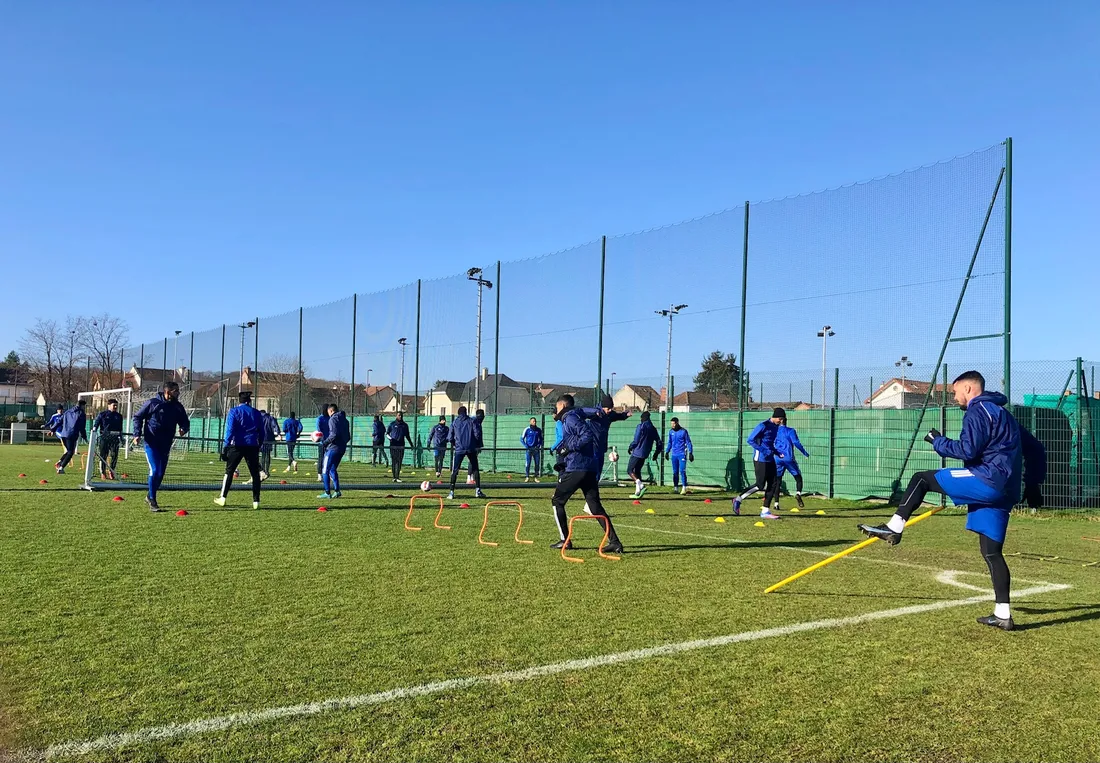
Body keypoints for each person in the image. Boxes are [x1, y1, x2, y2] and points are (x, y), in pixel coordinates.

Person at [859, 371, 1047, 631]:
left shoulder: (977, 410)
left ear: (968, 389)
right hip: (1007, 491)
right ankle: (1003, 614)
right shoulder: (1004, 414)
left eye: (955, 392)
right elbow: (1036, 448)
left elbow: (967, 450)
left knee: (922, 479)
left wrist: (938, 442)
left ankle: (894, 527)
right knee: (992, 552)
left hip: (987, 480)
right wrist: (1034, 483)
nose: (954, 397)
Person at [550, 394, 623, 553]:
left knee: (557, 501)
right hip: (589, 468)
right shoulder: (577, 414)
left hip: (577, 468)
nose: (555, 410)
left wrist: (569, 448)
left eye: (556, 407)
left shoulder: (570, 418)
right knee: (595, 507)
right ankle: (615, 542)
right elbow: (585, 411)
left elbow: (587, 435)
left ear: (562, 406)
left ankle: (565, 541)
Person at [132, 381, 191, 511]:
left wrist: (184, 428)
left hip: (166, 444)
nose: (178, 393)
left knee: (161, 473)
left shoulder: (178, 407)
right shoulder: (153, 403)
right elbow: (137, 417)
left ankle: (149, 495)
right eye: (176, 391)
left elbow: (185, 421)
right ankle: (153, 500)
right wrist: (137, 434)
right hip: (151, 442)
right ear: (167, 392)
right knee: (155, 470)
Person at [215, 391, 265, 509]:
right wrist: (259, 444)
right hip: (252, 445)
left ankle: (223, 497)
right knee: (255, 474)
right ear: (249, 401)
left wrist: (226, 445)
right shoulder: (256, 413)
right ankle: (256, 501)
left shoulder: (234, 411)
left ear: (239, 401)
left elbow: (230, 429)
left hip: (237, 445)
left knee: (229, 471)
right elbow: (262, 431)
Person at [733, 408, 785, 519]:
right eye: (780, 419)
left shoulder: (775, 427)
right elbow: (750, 440)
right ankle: (738, 499)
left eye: (782, 419)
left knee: (774, 483)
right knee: (760, 485)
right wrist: (764, 451)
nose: (781, 421)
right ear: (775, 416)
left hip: (770, 458)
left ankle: (765, 511)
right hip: (760, 458)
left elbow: (769, 443)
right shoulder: (763, 426)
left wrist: (776, 452)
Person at [448, 406, 487, 500]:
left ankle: (451, 492)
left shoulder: (454, 422)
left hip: (459, 449)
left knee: (455, 470)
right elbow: (477, 434)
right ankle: (478, 490)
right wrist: (476, 444)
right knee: (475, 469)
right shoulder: (472, 421)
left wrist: (455, 444)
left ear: (458, 413)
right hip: (471, 448)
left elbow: (450, 437)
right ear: (466, 412)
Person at [772, 415, 810, 510]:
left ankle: (776, 504)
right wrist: (804, 453)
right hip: (788, 458)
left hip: (777, 458)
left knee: (777, 481)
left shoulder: (774, 431)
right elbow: (796, 443)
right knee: (798, 477)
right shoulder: (790, 431)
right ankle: (798, 493)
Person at [626, 410, 662, 499]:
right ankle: (638, 492)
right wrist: (656, 453)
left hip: (637, 452)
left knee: (630, 470)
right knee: (637, 470)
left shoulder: (641, 426)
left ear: (642, 418)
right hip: (646, 453)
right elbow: (659, 442)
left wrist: (631, 446)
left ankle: (640, 485)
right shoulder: (653, 428)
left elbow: (636, 440)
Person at [319, 403, 351, 499]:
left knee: (325, 469)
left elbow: (333, 434)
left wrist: (325, 443)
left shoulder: (332, 419)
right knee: (332, 469)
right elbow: (348, 437)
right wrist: (342, 443)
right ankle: (337, 491)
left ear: (331, 411)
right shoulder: (345, 420)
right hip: (342, 448)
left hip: (333, 448)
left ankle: (327, 492)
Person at [92, 398, 124, 479]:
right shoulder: (102, 414)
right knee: (103, 456)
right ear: (109, 405)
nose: (115, 407)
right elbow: (96, 424)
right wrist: (94, 431)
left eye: (116, 405)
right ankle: (103, 472)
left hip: (115, 438)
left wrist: (121, 438)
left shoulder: (119, 416)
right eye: (114, 405)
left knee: (114, 455)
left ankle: (111, 471)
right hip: (104, 438)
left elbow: (120, 429)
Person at [54, 400, 88, 474]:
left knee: (68, 451)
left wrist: (52, 429)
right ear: (82, 406)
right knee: (70, 452)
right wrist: (84, 436)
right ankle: (61, 468)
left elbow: (59, 421)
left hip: (63, 434)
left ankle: (59, 462)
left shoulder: (67, 412)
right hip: (71, 435)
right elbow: (82, 427)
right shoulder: (81, 413)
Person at [664, 417, 694, 495]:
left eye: (673, 423)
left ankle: (684, 488)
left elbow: (688, 442)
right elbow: (670, 442)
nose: (672, 425)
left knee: (682, 471)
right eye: (671, 424)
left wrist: (690, 452)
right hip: (674, 454)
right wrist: (667, 452)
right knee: (675, 472)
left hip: (682, 454)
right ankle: (676, 488)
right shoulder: (671, 432)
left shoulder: (683, 431)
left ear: (677, 423)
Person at [387, 411, 414, 482]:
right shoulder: (392, 424)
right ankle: (394, 477)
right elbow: (387, 433)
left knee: (399, 461)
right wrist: (391, 439)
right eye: (399, 415)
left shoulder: (405, 425)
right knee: (394, 461)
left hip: (401, 445)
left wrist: (411, 444)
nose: (400, 416)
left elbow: (407, 436)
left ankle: (397, 477)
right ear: (396, 416)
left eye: (401, 415)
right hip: (393, 445)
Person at [256, 409, 278, 480]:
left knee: (262, 455)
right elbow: (275, 426)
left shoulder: (258, 418)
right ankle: (267, 471)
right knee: (268, 455)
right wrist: (278, 433)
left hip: (261, 439)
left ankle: (262, 471)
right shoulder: (270, 418)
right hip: (269, 439)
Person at [521, 417, 544, 483]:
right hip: (529, 450)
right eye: (533, 421)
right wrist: (526, 446)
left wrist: (538, 445)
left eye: (535, 421)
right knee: (528, 463)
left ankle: (536, 477)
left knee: (537, 464)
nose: (534, 422)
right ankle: (527, 477)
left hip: (536, 450)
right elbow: (521, 439)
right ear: (530, 422)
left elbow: (541, 439)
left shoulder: (538, 430)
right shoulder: (527, 429)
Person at [315, 405, 331, 482]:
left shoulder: (329, 418)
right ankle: (319, 474)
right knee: (321, 459)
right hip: (323, 442)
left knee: (328, 458)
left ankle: (328, 474)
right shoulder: (320, 419)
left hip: (329, 442)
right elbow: (318, 430)